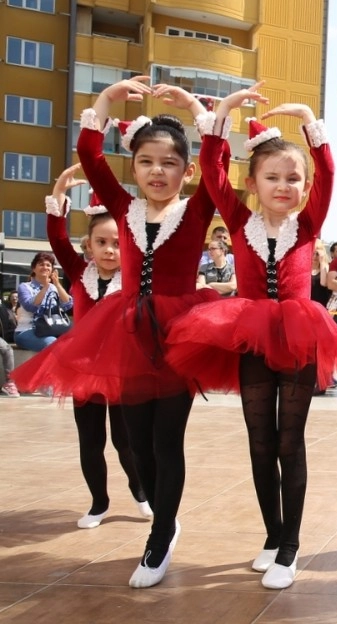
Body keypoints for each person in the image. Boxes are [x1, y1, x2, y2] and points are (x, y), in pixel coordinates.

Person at [14, 78, 222, 589]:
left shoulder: (196, 210)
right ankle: (156, 510)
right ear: (134, 168)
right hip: (127, 336)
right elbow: (89, 152)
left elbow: (219, 167)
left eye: (170, 162)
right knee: (136, 443)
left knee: (167, 441)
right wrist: (106, 101)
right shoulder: (125, 211)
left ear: (186, 170)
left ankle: (161, 535)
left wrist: (196, 108)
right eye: (148, 161)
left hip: (178, 336)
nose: (158, 171)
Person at [165, 91, 337, 589]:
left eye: (293, 178)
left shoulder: (308, 225)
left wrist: (312, 123)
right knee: (259, 441)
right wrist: (221, 116)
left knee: (290, 441)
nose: (284, 186)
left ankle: (291, 545)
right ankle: (271, 536)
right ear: (252, 184)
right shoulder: (240, 220)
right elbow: (210, 167)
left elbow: (328, 174)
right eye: (272, 177)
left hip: (298, 340)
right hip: (248, 338)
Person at [44, 164, 150, 528]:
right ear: (88, 245)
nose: (109, 250)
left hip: (122, 369)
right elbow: (57, 237)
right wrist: (59, 190)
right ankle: (98, 503)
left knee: (126, 441)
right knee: (90, 439)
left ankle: (141, 492)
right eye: (101, 243)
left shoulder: (134, 278)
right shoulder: (78, 273)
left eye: (117, 243)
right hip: (83, 368)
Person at [14, 252, 73, 352]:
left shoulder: (54, 288)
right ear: (33, 268)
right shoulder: (24, 287)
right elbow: (30, 306)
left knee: (76, 342)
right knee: (52, 343)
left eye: (48, 265)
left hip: (52, 330)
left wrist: (57, 284)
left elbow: (68, 305)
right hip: (27, 331)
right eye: (41, 264)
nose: (45, 267)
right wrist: (45, 287)